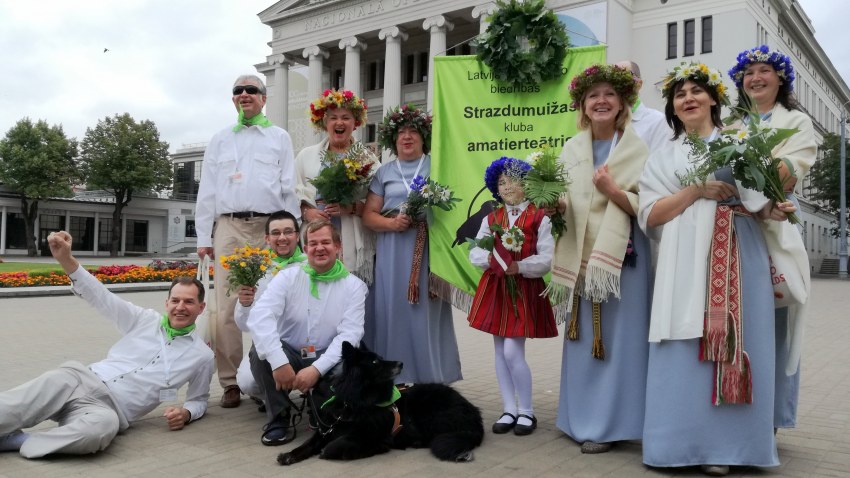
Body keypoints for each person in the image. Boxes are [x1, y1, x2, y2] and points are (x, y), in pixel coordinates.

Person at [638, 62, 795, 475]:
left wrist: (778, 209)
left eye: (696, 91)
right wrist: (695, 191)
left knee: (742, 337)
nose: (688, 98)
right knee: (682, 344)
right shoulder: (663, 155)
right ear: (673, 107)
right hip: (682, 259)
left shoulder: (741, 141)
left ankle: (728, 449)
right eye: (679, 94)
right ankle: (677, 445)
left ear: (713, 99)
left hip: (738, 252)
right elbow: (651, 215)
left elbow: (761, 204)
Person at [0, 231, 214, 459]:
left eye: (189, 302)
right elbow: (102, 297)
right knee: (9, 408)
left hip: (107, 410)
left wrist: (186, 413)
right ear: (167, 302)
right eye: (175, 300)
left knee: (96, 434)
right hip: (77, 380)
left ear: (201, 308)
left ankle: (19, 440)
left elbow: (198, 399)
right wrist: (66, 260)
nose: (180, 307)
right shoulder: (144, 319)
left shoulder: (202, 356)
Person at [548, 64, 651, 454]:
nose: (602, 101)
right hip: (578, 257)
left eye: (609, 94)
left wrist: (612, 190)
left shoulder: (636, 148)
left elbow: (647, 205)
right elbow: (564, 200)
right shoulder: (572, 148)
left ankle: (614, 426)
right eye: (594, 96)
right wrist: (553, 205)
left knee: (620, 341)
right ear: (583, 106)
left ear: (622, 102)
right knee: (580, 338)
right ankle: (577, 418)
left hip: (622, 257)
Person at [195, 74, 300, 409]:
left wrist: (292, 231)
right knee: (228, 307)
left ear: (263, 98)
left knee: (272, 299)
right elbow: (207, 190)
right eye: (238, 91)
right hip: (229, 227)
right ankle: (230, 382)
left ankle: (267, 371)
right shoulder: (221, 139)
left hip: (268, 228)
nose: (244, 95)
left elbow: (288, 186)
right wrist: (203, 235)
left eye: (251, 90)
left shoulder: (279, 137)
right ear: (233, 99)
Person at [728, 46, 816, 432]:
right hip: (734, 227)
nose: (756, 78)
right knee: (740, 317)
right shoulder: (731, 125)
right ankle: (735, 408)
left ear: (781, 79)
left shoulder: (796, 120)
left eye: (765, 70)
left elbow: (789, 171)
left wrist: (749, 181)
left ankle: (771, 418)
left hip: (777, 223)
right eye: (748, 73)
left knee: (777, 320)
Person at [362, 104, 462, 384]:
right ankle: (393, 377)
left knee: (426, 313)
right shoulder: (384, 172)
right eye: (401, 132)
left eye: (413, 132)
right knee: (393, 310)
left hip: (430, 247)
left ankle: (431, 377)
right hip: (393, 250)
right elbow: (368, 216)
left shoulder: (438, 164)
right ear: (393, 140)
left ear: (423, 138)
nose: (407, 137)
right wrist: (392, 224)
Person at [247, 220, 366, 446]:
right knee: (260, 354)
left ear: (338, 246)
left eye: (325, 242)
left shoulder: (354, 286)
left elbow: (349, 336)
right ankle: (279, 417)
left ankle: (320, 410)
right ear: (305, 248)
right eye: (312, 244)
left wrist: (316, 369)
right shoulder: (287, 277)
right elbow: (260, 315)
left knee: (348, 364)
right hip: (291, 352)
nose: (319, 248)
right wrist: (279, 361)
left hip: (325, 354)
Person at [467, 156, 557, 436]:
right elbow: (476, 251)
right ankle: (509, 409)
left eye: (513, 180)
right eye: (501, 182)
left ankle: (527, 411)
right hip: (496, 288)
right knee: (498, 350)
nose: (506, 187)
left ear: (526, 184)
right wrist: (492, 261)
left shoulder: (540, 217)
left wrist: (519, 266)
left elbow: (547, 258)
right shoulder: (491, 217)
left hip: (523, 288)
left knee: (511, 351)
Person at [296, 88, 378, 284]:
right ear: (325, 123)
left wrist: (352, 208)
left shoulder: (369, 159)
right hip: (315, 233)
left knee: (350, 291)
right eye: (333, 118)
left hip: (352, 235)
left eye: (346, 118)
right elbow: (292, 193)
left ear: (355, 123)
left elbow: (378, 202)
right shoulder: (305, 156)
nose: (339, 123)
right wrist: (308, 213)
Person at [233, 210, 306, 404]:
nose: (282, 237)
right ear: (267, 238)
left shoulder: (311, 264)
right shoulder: (256, 269)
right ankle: (271, 399)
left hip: (305, 343)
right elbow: (244, 325)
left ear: (297, 236)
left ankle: (313, 393)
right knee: (248, 383)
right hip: (268, 341)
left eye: (288, 232)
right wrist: (245, 304)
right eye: (275, 233)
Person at [614, 60, 672, 153]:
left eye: (624, 76)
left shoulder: (657, 121)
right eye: (613, 78)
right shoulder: (607, 120)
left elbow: (660, 161)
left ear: (639, 84)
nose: (618, 83)